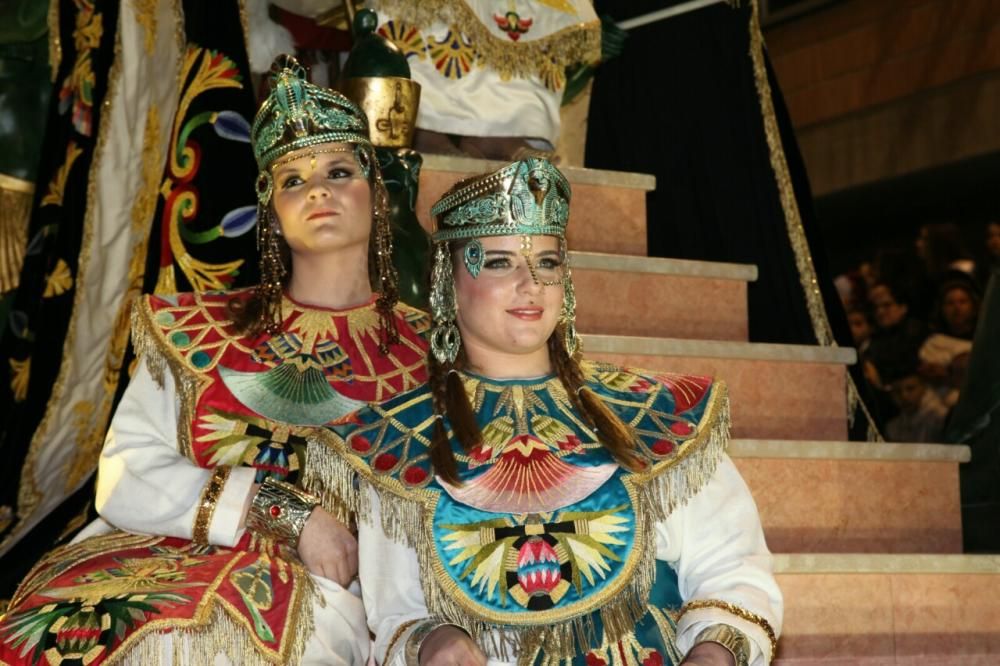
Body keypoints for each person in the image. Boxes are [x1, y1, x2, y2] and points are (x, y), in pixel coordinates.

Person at [0, 55, 429, 665]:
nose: (319, 191)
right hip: (149, 555)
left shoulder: (426, 352)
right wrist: (278, 509)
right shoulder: (194, 330)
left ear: (376, 194)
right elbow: (127, 471)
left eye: (339, 170)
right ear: (272, 213)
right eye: (292, 181)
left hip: (318, 589)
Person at [309, 158, 782, 665]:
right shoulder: (398, 438)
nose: (530, 283)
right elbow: (397, 609)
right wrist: (434, 642)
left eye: (548, 263)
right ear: (448, 281)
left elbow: (733, 569)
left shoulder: (655, 412)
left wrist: (715, 651)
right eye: (499, 262)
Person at [919, 276, 980, 407]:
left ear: (974, 306)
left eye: (963, 302)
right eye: (950, 303)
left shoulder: (984, 339)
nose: (957, 308)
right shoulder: (933, 343)